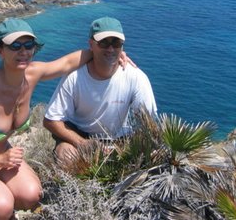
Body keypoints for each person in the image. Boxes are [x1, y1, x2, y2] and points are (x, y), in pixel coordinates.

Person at [0, 17, 131, 220]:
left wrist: (111, 52)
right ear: (0, 51)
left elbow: (68, 62)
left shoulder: (32, 74)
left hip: (0, 163)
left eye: (29, 45)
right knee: (1, 208)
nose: (23, 52)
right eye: (15, 46)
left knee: (32, 195)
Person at [43, 16, 157, 164]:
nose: (110, 49)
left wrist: (130, 149)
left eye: (116, 43)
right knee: (67, 157)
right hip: (79, 136)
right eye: (104, 43)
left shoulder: (136, 77)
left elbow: (147, 123)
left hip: (121, 140)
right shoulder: (74, 77)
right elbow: (51, 120)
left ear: (122, 46)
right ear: (91, 44)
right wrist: (83, 143)